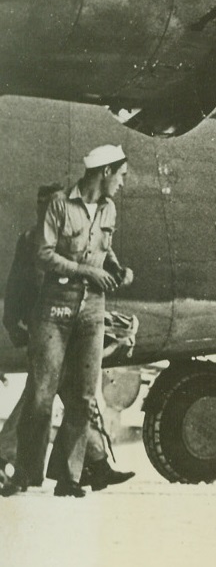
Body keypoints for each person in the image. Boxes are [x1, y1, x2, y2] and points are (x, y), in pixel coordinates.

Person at [2, 145, 134, 498]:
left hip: (92, 309)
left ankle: (69, 478)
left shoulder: (109, 209)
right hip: (55, 306)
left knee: (83, 396)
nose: (123, 183)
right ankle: (26, 475)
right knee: (42, 396)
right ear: (104, 172)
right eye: (120, 175)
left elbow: (105, 249)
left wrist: (116, 269)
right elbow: (44, 255)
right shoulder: (59, 206)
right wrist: (88, 271)